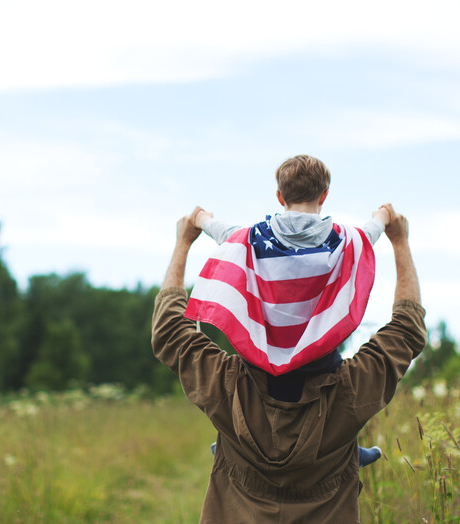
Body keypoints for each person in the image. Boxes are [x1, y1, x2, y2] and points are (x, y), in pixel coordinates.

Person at [151, 203, 426, 522]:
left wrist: (182, 243)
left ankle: (236, 451)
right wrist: (400, 242)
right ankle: (345, 454)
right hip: (331, 445)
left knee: (234, 439)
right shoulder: (351, 390)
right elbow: (407, 330)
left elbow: (170, 331)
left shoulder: (227, 384)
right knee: (340, 437)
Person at [190, 155, 388, 467]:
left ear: (280, 197)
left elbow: (223, 233)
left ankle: (228, 439)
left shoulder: (254, 237)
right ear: (324, 196)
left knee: (243, 387)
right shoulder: (342, 239)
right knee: (337, 391)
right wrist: (382, 217)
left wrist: (201, 219)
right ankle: (349, 445)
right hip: (318, 356)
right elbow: (370, 234)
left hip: (262, 352)